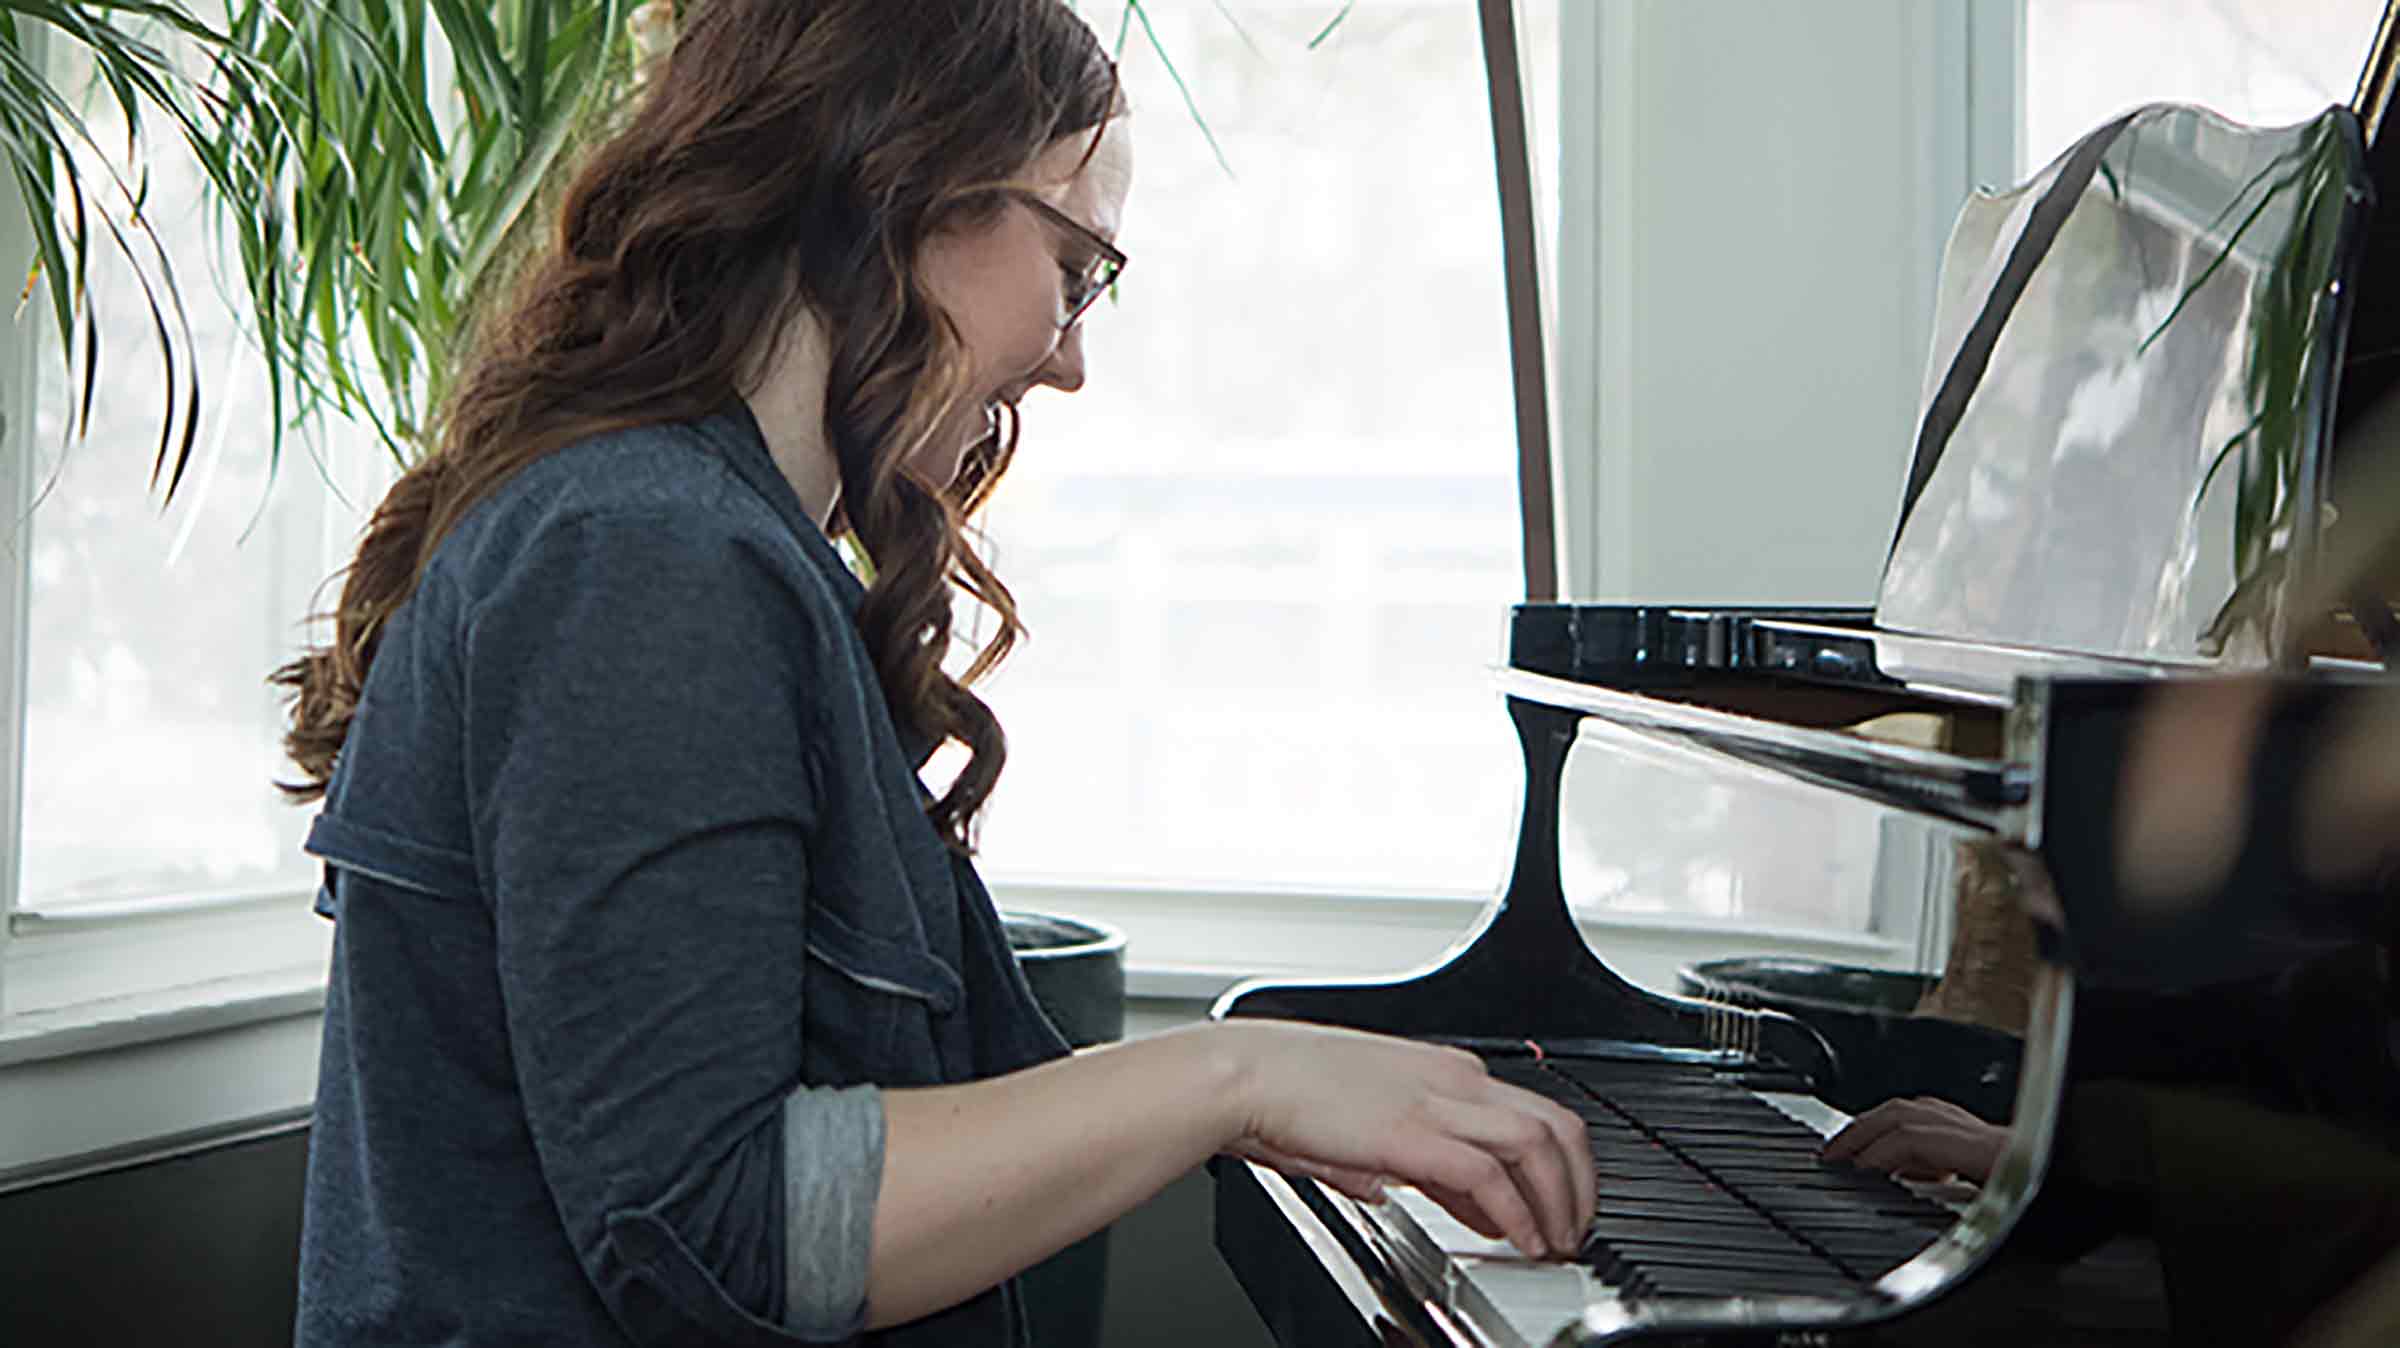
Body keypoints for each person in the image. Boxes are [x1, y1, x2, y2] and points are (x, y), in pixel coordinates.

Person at [271, 2, 1594, 1344]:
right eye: (1076, 268)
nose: (1072, 356)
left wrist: (1265, 1095)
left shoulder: (709, 544)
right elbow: (716, 1227)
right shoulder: (647, 554)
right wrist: (1233, 1079)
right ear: (904, 183)